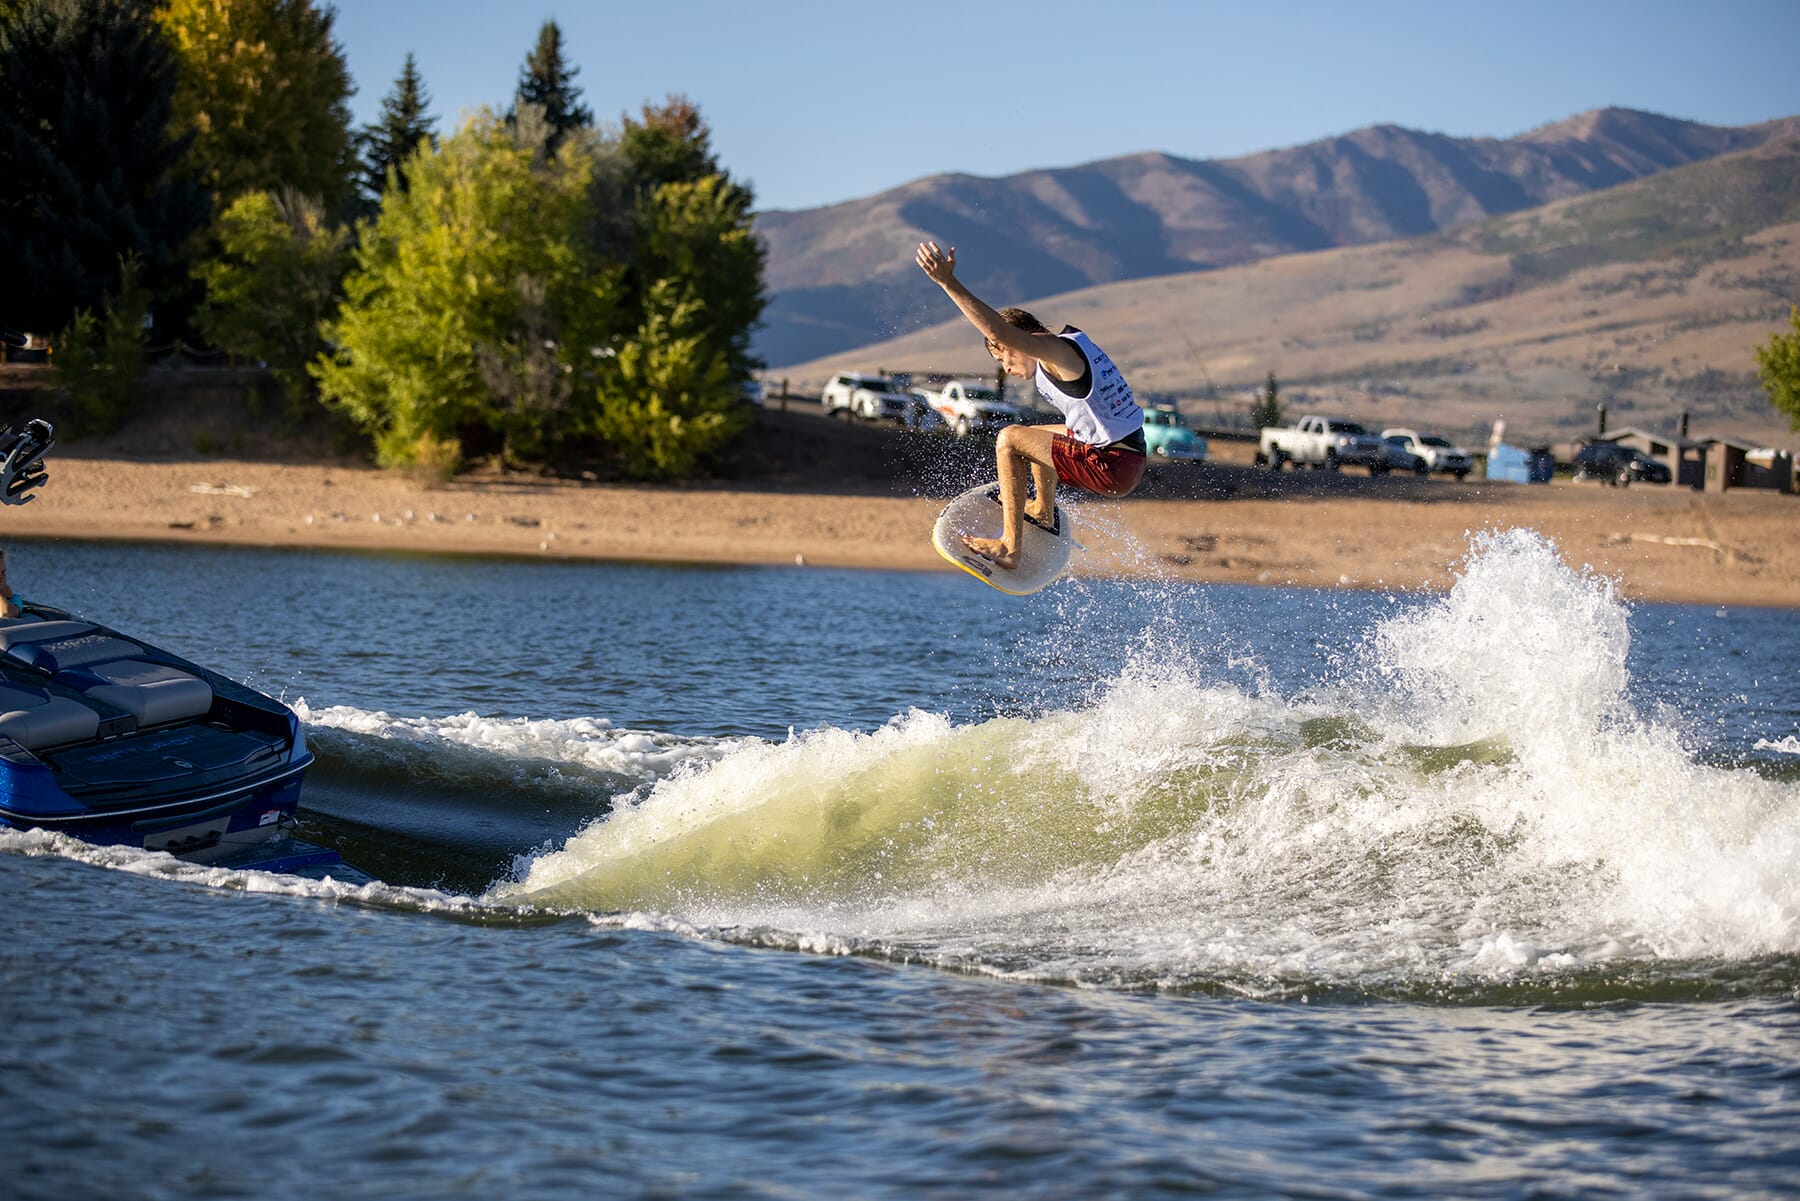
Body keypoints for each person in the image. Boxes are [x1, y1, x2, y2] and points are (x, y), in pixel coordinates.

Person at [916, 240, 1145, 569]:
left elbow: (998, 330)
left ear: (1019, 340)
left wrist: (947, 282)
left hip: (1113, 463)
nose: (1007, 369)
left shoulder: (1056, 352)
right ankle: (1041, 509)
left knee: (1008, 439)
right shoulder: (1069, 347)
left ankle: (1009, 548)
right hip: (1127, 456)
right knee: (1033, 436)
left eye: (1003, 356)